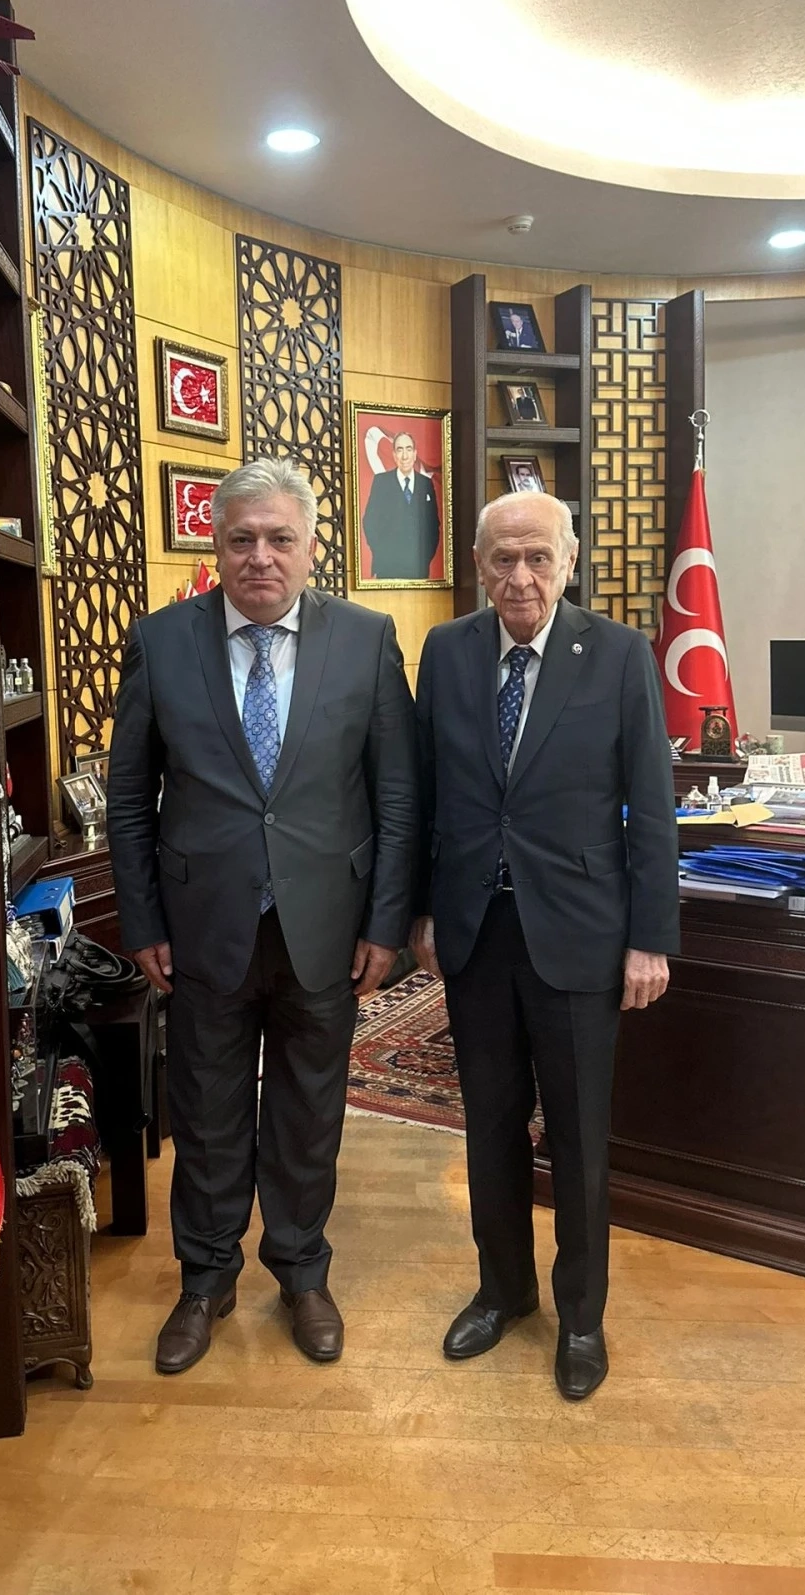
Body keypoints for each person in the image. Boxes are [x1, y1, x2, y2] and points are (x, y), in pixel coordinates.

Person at [107, 457, 418, 1374]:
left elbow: (398, 798)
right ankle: (204, 1278)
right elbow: (129, 800)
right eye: (242, 538)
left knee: (308, 1109)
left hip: (328, 925)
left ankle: (301, 1270)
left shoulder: (366, 640)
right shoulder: (162, 642)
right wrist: (141, 920)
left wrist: (386, 924)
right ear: (216, 545)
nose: (261, 556)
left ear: (312, 545)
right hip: (202, 927)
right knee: (204, 1109)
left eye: (281, 538)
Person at [411, 492, 678, 1401]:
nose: (519, 576)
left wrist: (650, 937)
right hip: (475, 931)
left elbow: (652, 805)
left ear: (569, 561)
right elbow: (423, 793)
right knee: (488, 1123)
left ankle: (582, 1316)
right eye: (502, 558)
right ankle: (503, 1290)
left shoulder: (620, 654)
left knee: (577, 1135)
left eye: (537, 557)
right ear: (477, 564)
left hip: (581, 933)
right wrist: (421, 911)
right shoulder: (446, 651)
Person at [361, 432, 441, 581]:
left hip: (418, 570)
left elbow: (434, 526)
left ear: (415, 454)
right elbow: (369, 522)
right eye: (400, 450)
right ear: (394, 455)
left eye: (408, 449)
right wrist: (381, 554)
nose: (405, 456)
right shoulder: (381, 482)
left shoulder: (426, 484)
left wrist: (424, 558)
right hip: (387, 569)